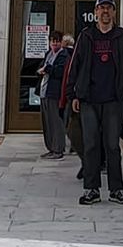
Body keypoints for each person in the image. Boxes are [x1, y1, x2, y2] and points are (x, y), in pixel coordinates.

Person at [68, 0, 123, 205]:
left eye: (109, 8)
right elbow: (75, 65)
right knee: (90, 145)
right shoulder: (86, 36)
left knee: (113, 146)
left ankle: (116, 190)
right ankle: (91, 189)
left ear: (114, 12)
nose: (105, 12)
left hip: (112, 100)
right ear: (95, 12)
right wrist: (74, 94)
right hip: (89, 100)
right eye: (101, 8)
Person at [39, 29, 71, 158]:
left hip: (55, 93)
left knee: (56, 122)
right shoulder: (48, 54)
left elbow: (59, 72)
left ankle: (58, 149)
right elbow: (42, 66)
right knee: (47, 122)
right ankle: (51, 147)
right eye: (52, 41)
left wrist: (47, 69)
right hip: (44, 91)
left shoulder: (63, 55)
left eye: (57, 41)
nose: (55, 44)